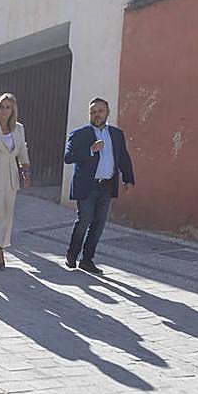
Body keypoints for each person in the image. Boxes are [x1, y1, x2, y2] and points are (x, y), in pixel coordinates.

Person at [63, 97, 136, 274]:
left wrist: (128, 179)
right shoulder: (80, 134)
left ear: (107, 112)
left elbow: (123, 158)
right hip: (87, 186)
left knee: (99, 224)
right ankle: (72, 255)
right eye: (93, 112)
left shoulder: (117, 134)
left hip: (107, 186)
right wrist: (90, 150)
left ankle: (87, 260)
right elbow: (68, 157)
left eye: (100, 111)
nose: (96, 115)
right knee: (84, 221)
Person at [0, 93, 30, 269]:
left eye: (8, 107)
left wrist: (26, 171)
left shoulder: (18, 128)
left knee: (8, 215)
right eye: (1, 106)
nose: (4, 110)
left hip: (11, 176)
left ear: (13, 110)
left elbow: (22, 151)